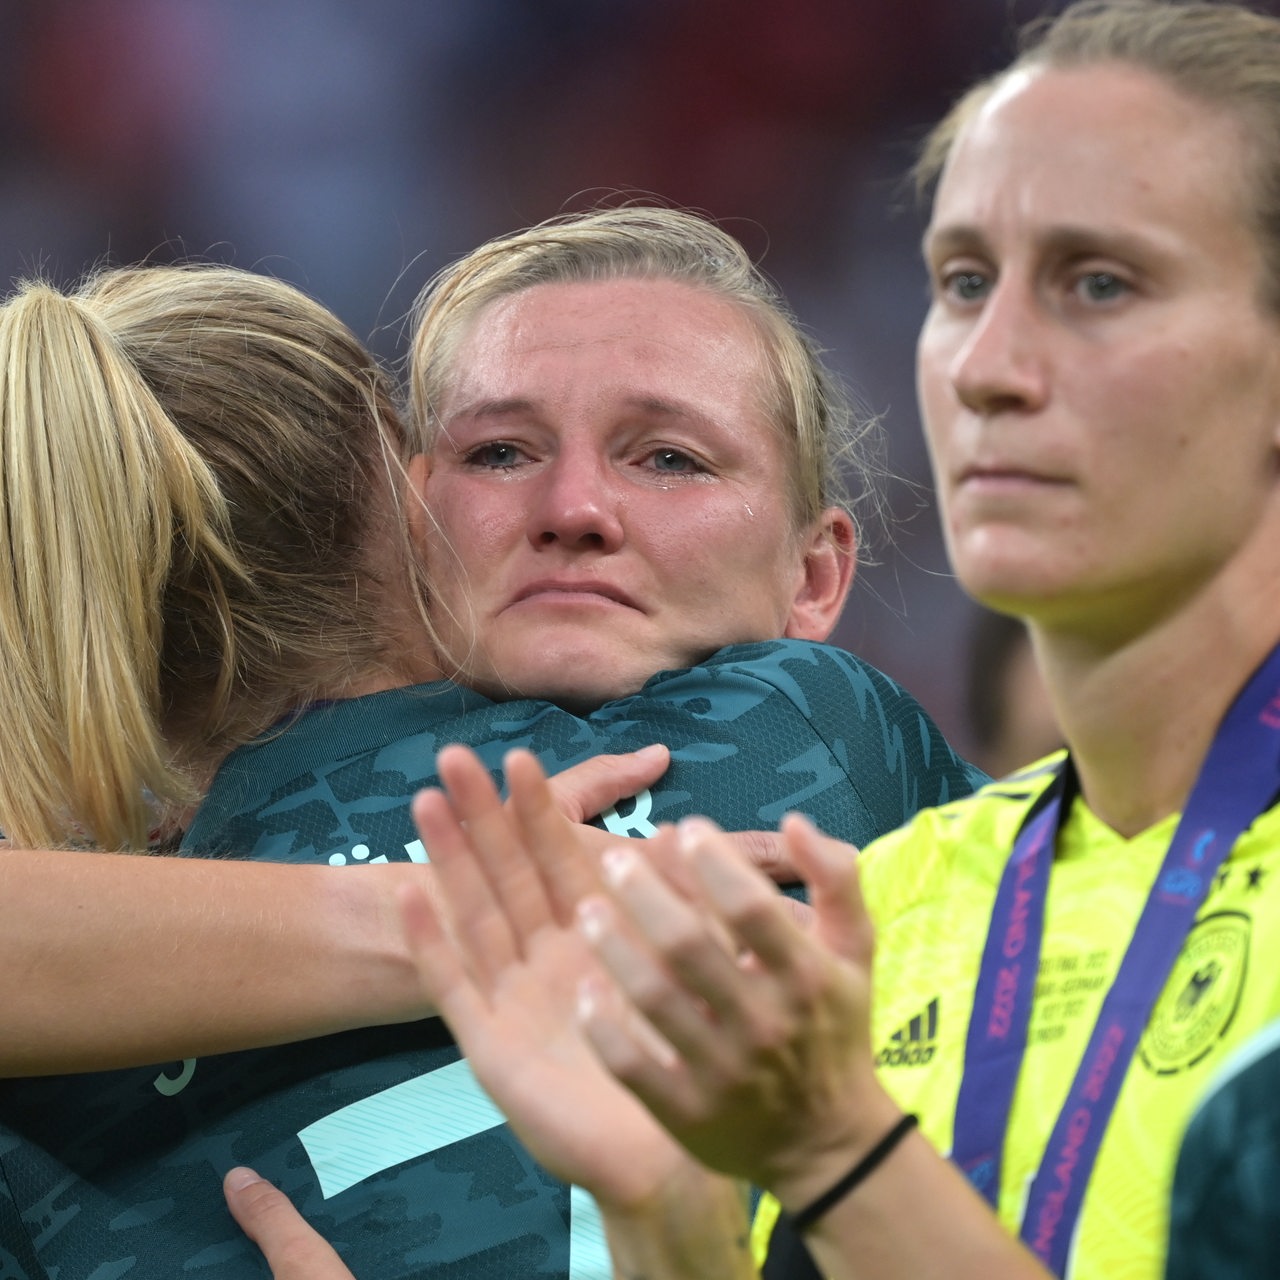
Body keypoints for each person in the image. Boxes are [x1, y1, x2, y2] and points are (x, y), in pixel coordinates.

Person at [223, 5, 1280, 1278]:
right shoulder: (880, 895)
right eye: (958, 283)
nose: (987, 363)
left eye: (1098, 282)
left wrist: (837, 1150)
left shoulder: (836, 842)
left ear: (819, 569)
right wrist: (667, 1216)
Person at [0, 210, 984, 1279]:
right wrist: (467, 908)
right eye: (499, 451)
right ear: (405, 515)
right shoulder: (801, 732)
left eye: (669, 457)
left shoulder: (48, 1078)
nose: (574, 509)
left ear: (816, 570)